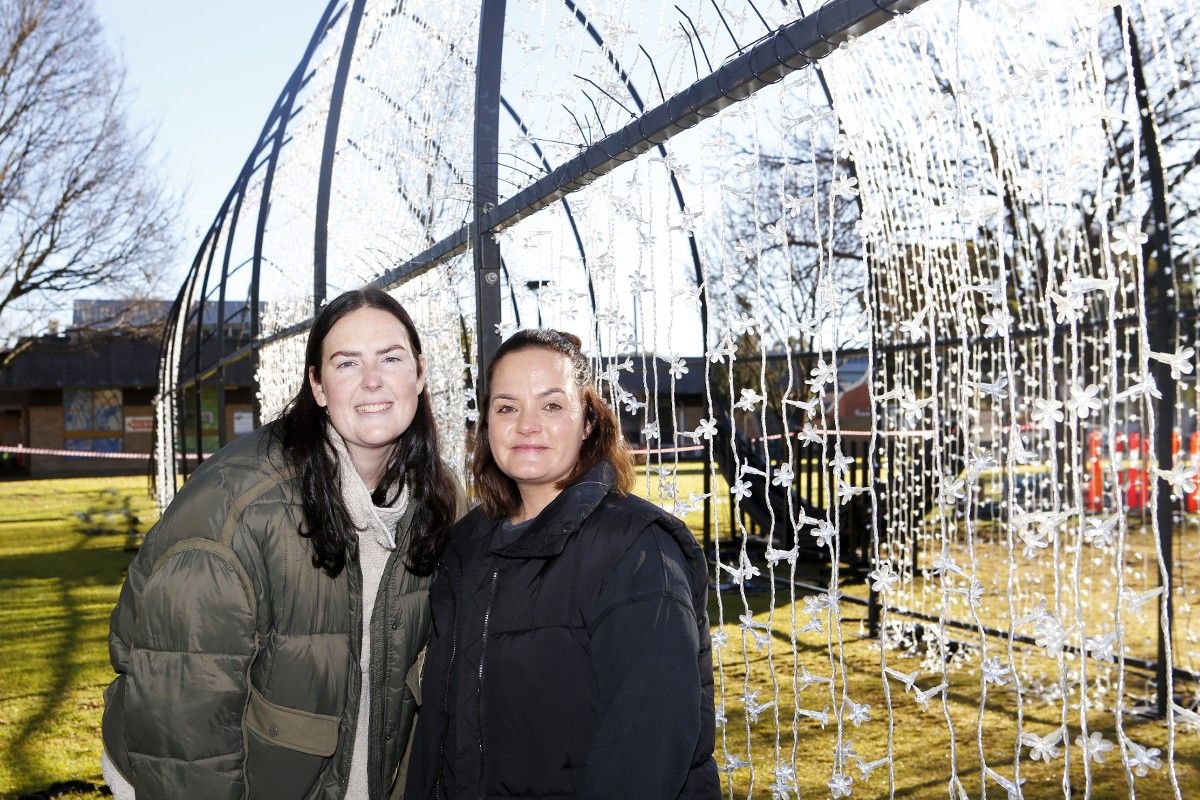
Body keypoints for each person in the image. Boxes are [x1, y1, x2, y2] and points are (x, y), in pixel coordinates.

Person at [100, 288, 458, 799]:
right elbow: (182, 726)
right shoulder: (235, 511)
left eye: (391, 358)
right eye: (346, 363)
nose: (373, 381)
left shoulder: (433, 502)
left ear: (419, 374)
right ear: (316, 385)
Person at [405, 329, 719, 799]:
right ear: (487, 424)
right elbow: (441, 730)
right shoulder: (464, 548)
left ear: (589, 420)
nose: (526, 425)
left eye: (551, 405)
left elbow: (645, 753)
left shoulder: (636, 550)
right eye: (507, 407)